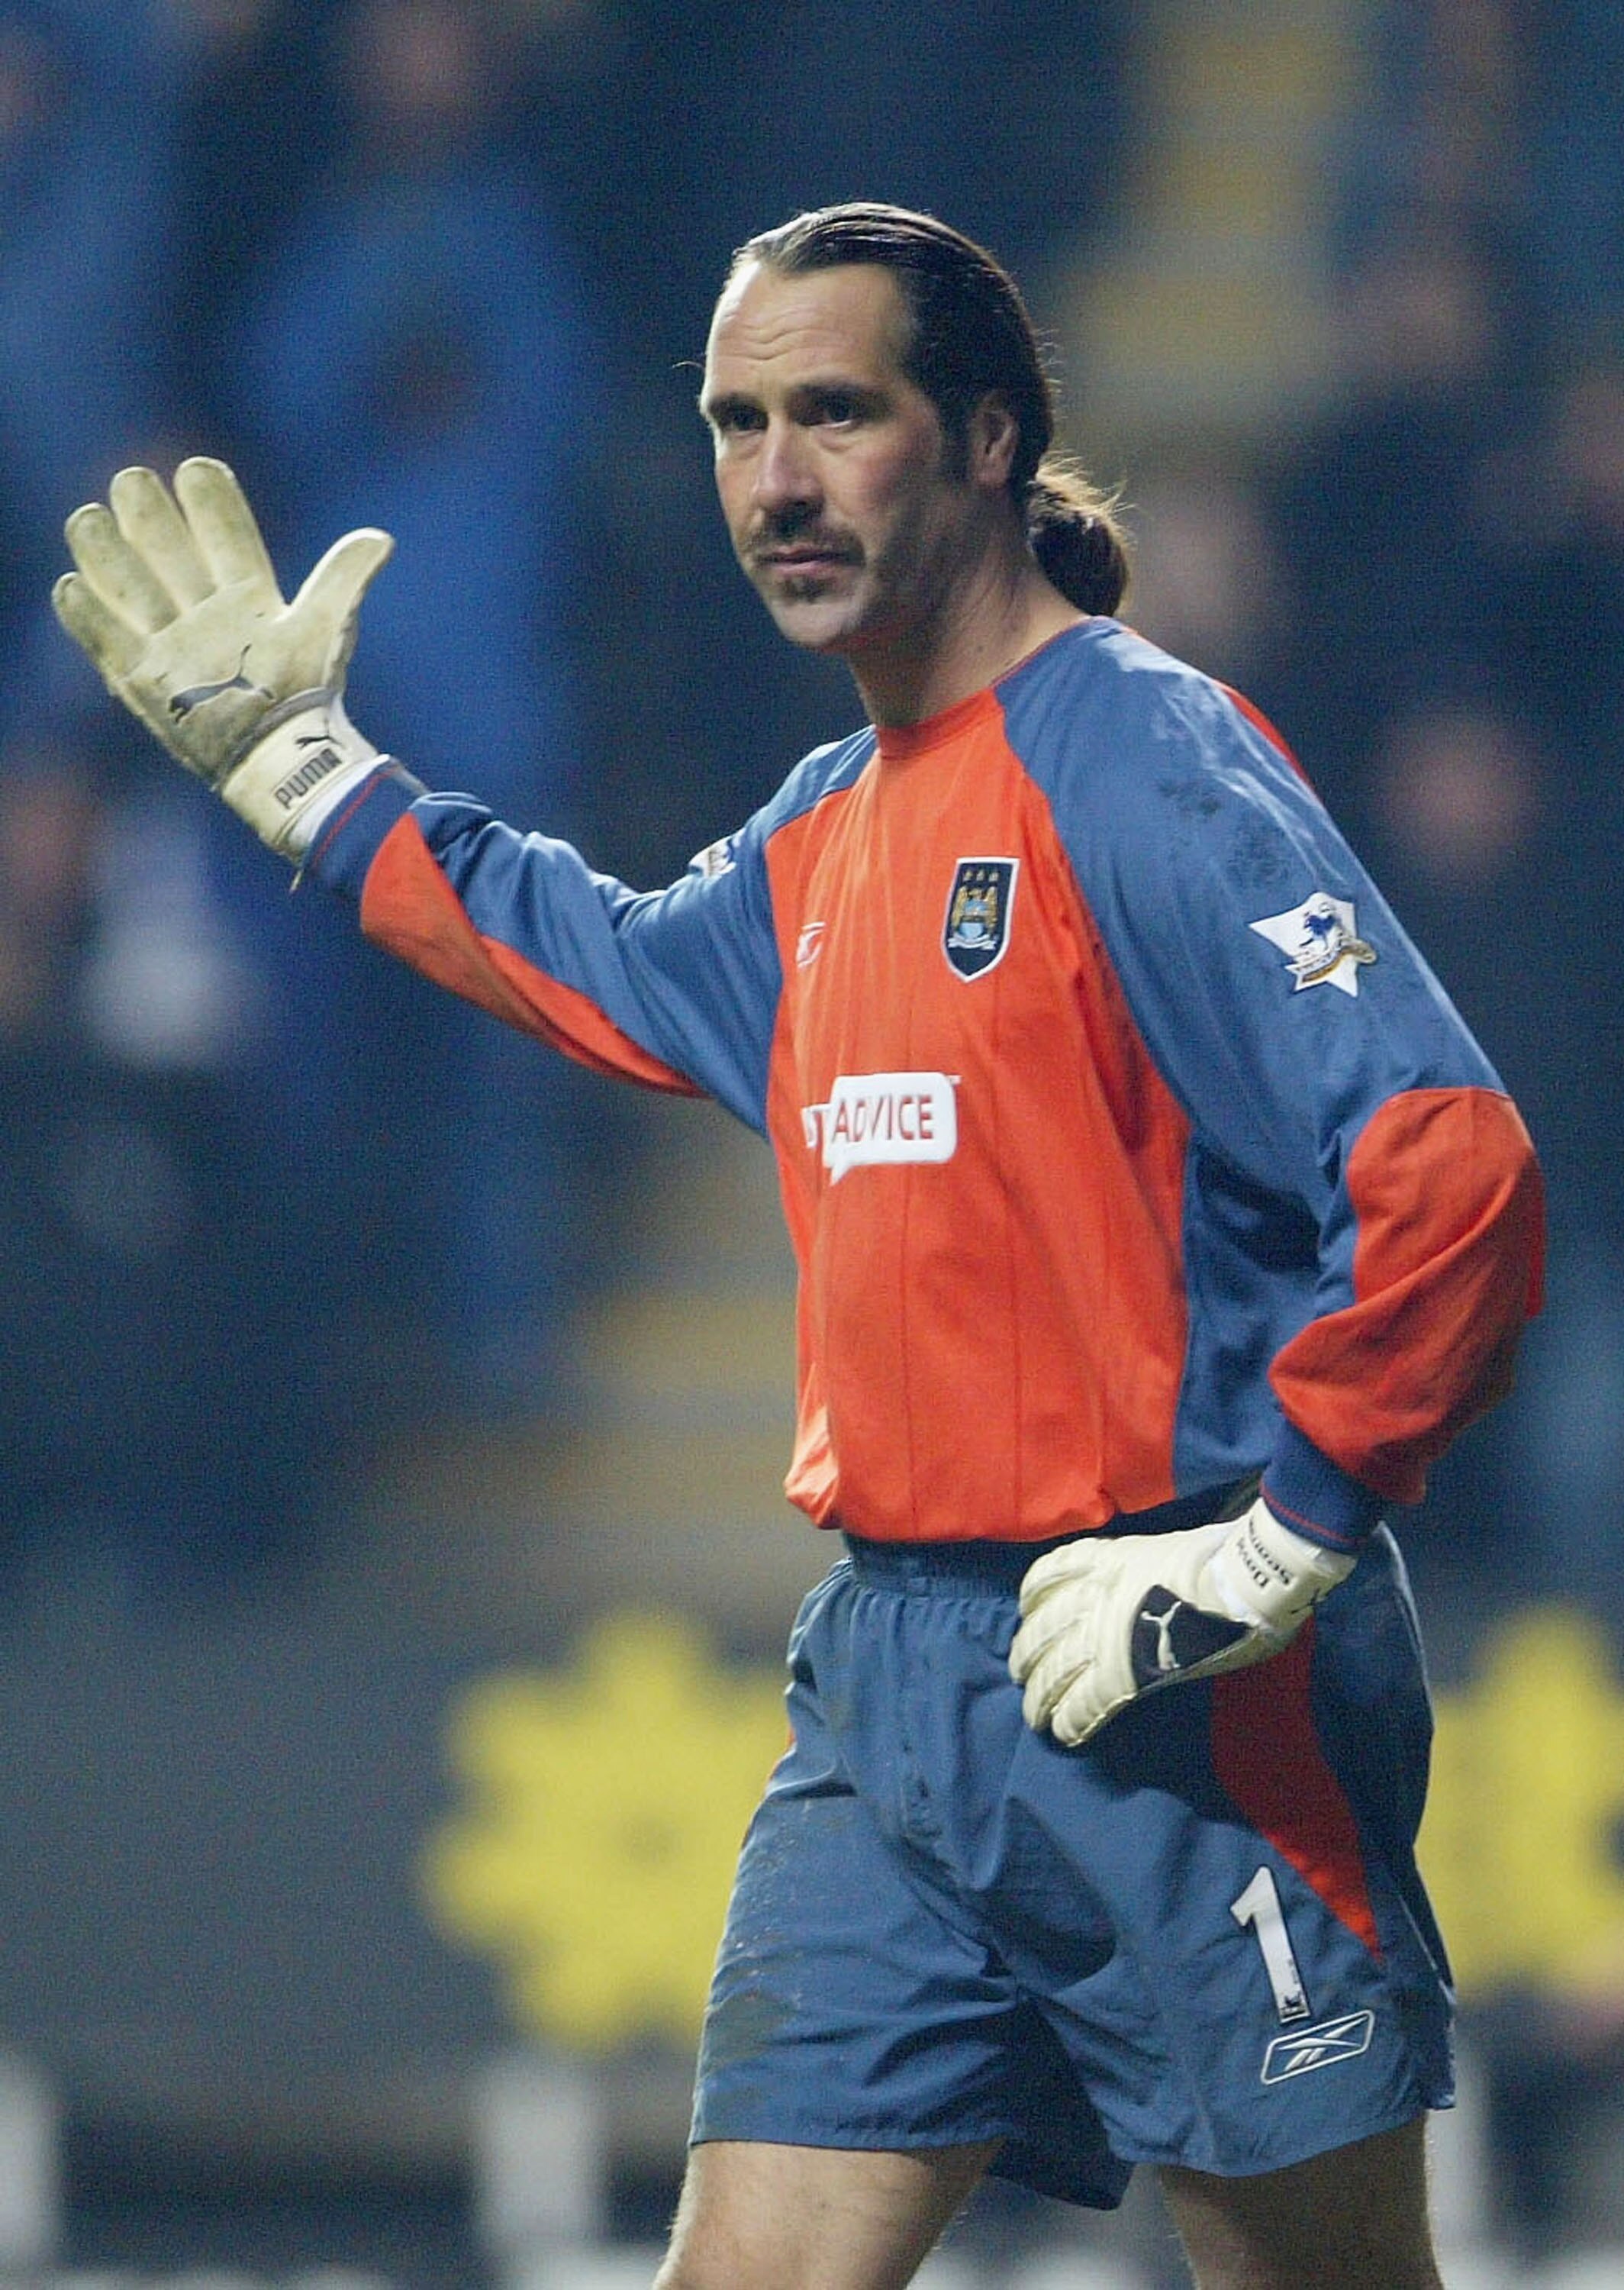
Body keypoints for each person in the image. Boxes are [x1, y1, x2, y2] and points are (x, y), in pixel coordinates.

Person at [52, 202, 1543, 2290]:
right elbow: (596, 961)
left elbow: (1452, 1166)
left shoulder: (1146, 762)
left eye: (836, 411)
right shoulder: (830, 831)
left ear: (994, 439)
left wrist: (1275, 1540)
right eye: (740, 422)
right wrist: (311, 778)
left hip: (1193, 1684)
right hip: (897, 1702)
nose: (776, 475)